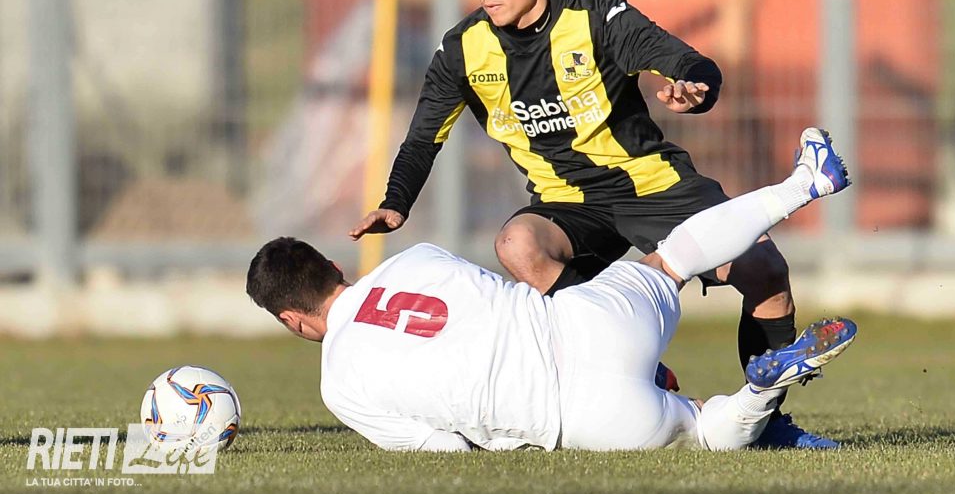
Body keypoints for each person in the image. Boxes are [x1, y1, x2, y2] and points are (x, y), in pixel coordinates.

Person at [349, 0, 826, 447]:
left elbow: (687, 61)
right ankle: (627, 355)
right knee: (518, 244)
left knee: (764, 270)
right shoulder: (463, 50)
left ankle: (768, 421)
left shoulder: (597, 17)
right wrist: (396, 201)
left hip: (651, 184)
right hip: (566, 203)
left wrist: (694, 89)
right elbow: (423, 136)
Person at [249, 128, 856, 452]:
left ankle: (755, 393)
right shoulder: (415, 260)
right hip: (584, 323)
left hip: (575, 417)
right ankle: (805, 183)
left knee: (700, 429)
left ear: (291, 320)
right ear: (332, 265)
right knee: (672, 258)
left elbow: (444, 449)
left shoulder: (339, 387)